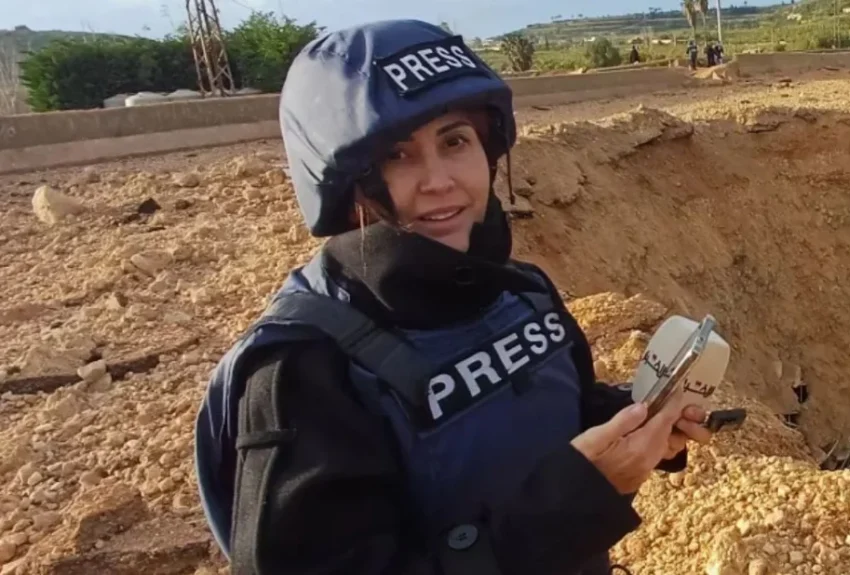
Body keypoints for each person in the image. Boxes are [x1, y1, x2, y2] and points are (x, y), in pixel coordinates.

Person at [193, 19, 712, 575]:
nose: (439, 180)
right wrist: (573, 504)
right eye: (397, 155)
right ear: (345, 184)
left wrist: (638, 422)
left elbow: (560, 410)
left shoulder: (525, 293)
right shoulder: (305, 368)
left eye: (455, 141)